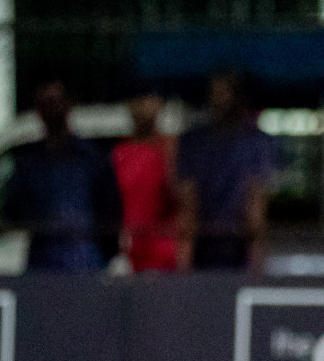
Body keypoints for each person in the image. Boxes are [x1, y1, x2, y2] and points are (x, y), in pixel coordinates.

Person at [3, 79, 121, 273]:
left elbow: (110, 209)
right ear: (39, 111)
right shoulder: (29, 162)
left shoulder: (92, 158)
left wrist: (107, 253)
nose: (52, 110)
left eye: (56, 102)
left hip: (86, 263)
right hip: (43, 264)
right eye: (46, 104)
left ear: (68, 106)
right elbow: (14, 209)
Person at [176, 72, 275, 270]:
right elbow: (188, 204)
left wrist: (256, 265)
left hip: (240, 253)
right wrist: (184, 264)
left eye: (225, 91)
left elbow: (256, 203)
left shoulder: (255, 142)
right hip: (202, 252)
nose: (219, 99)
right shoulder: (192, 142)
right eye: (215, 92)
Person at [112, 89, 180, 273]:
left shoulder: (171, 149)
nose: (143, 108)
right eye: (138, 102)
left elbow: (179, 198)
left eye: (149, 101)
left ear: (159, 104)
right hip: (129, 256)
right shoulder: (119, 153)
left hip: (165, 254)